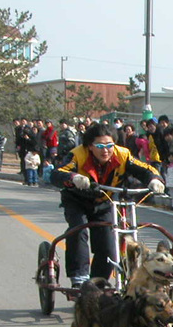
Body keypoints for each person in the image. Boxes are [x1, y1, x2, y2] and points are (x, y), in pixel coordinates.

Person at [51, 122, 165, 287]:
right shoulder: (77, 155)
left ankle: (97, 283)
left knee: (108, 243)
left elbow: (146, 169)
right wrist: (74, 178)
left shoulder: (123, 155)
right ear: (90, 146)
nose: (106, 150)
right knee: (78, 230)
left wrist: (155, 180)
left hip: (105, 202)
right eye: (100, 145)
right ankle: (79, 278)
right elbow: (57, 173)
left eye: (109, 145)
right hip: (77, 201)